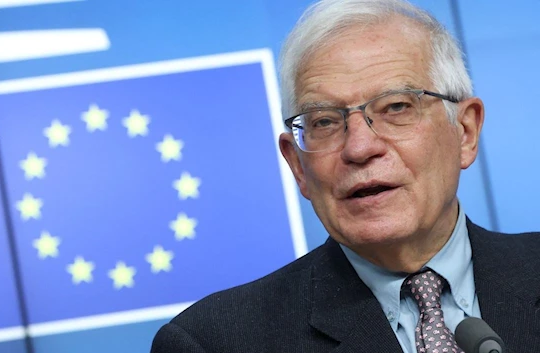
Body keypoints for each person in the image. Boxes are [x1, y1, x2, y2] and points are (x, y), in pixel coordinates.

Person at [151, 0, 540, 352]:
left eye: (397, 107)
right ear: (298, 165)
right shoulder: (215, 343)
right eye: (323, 121)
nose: (359, 147)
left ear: (465, 133)